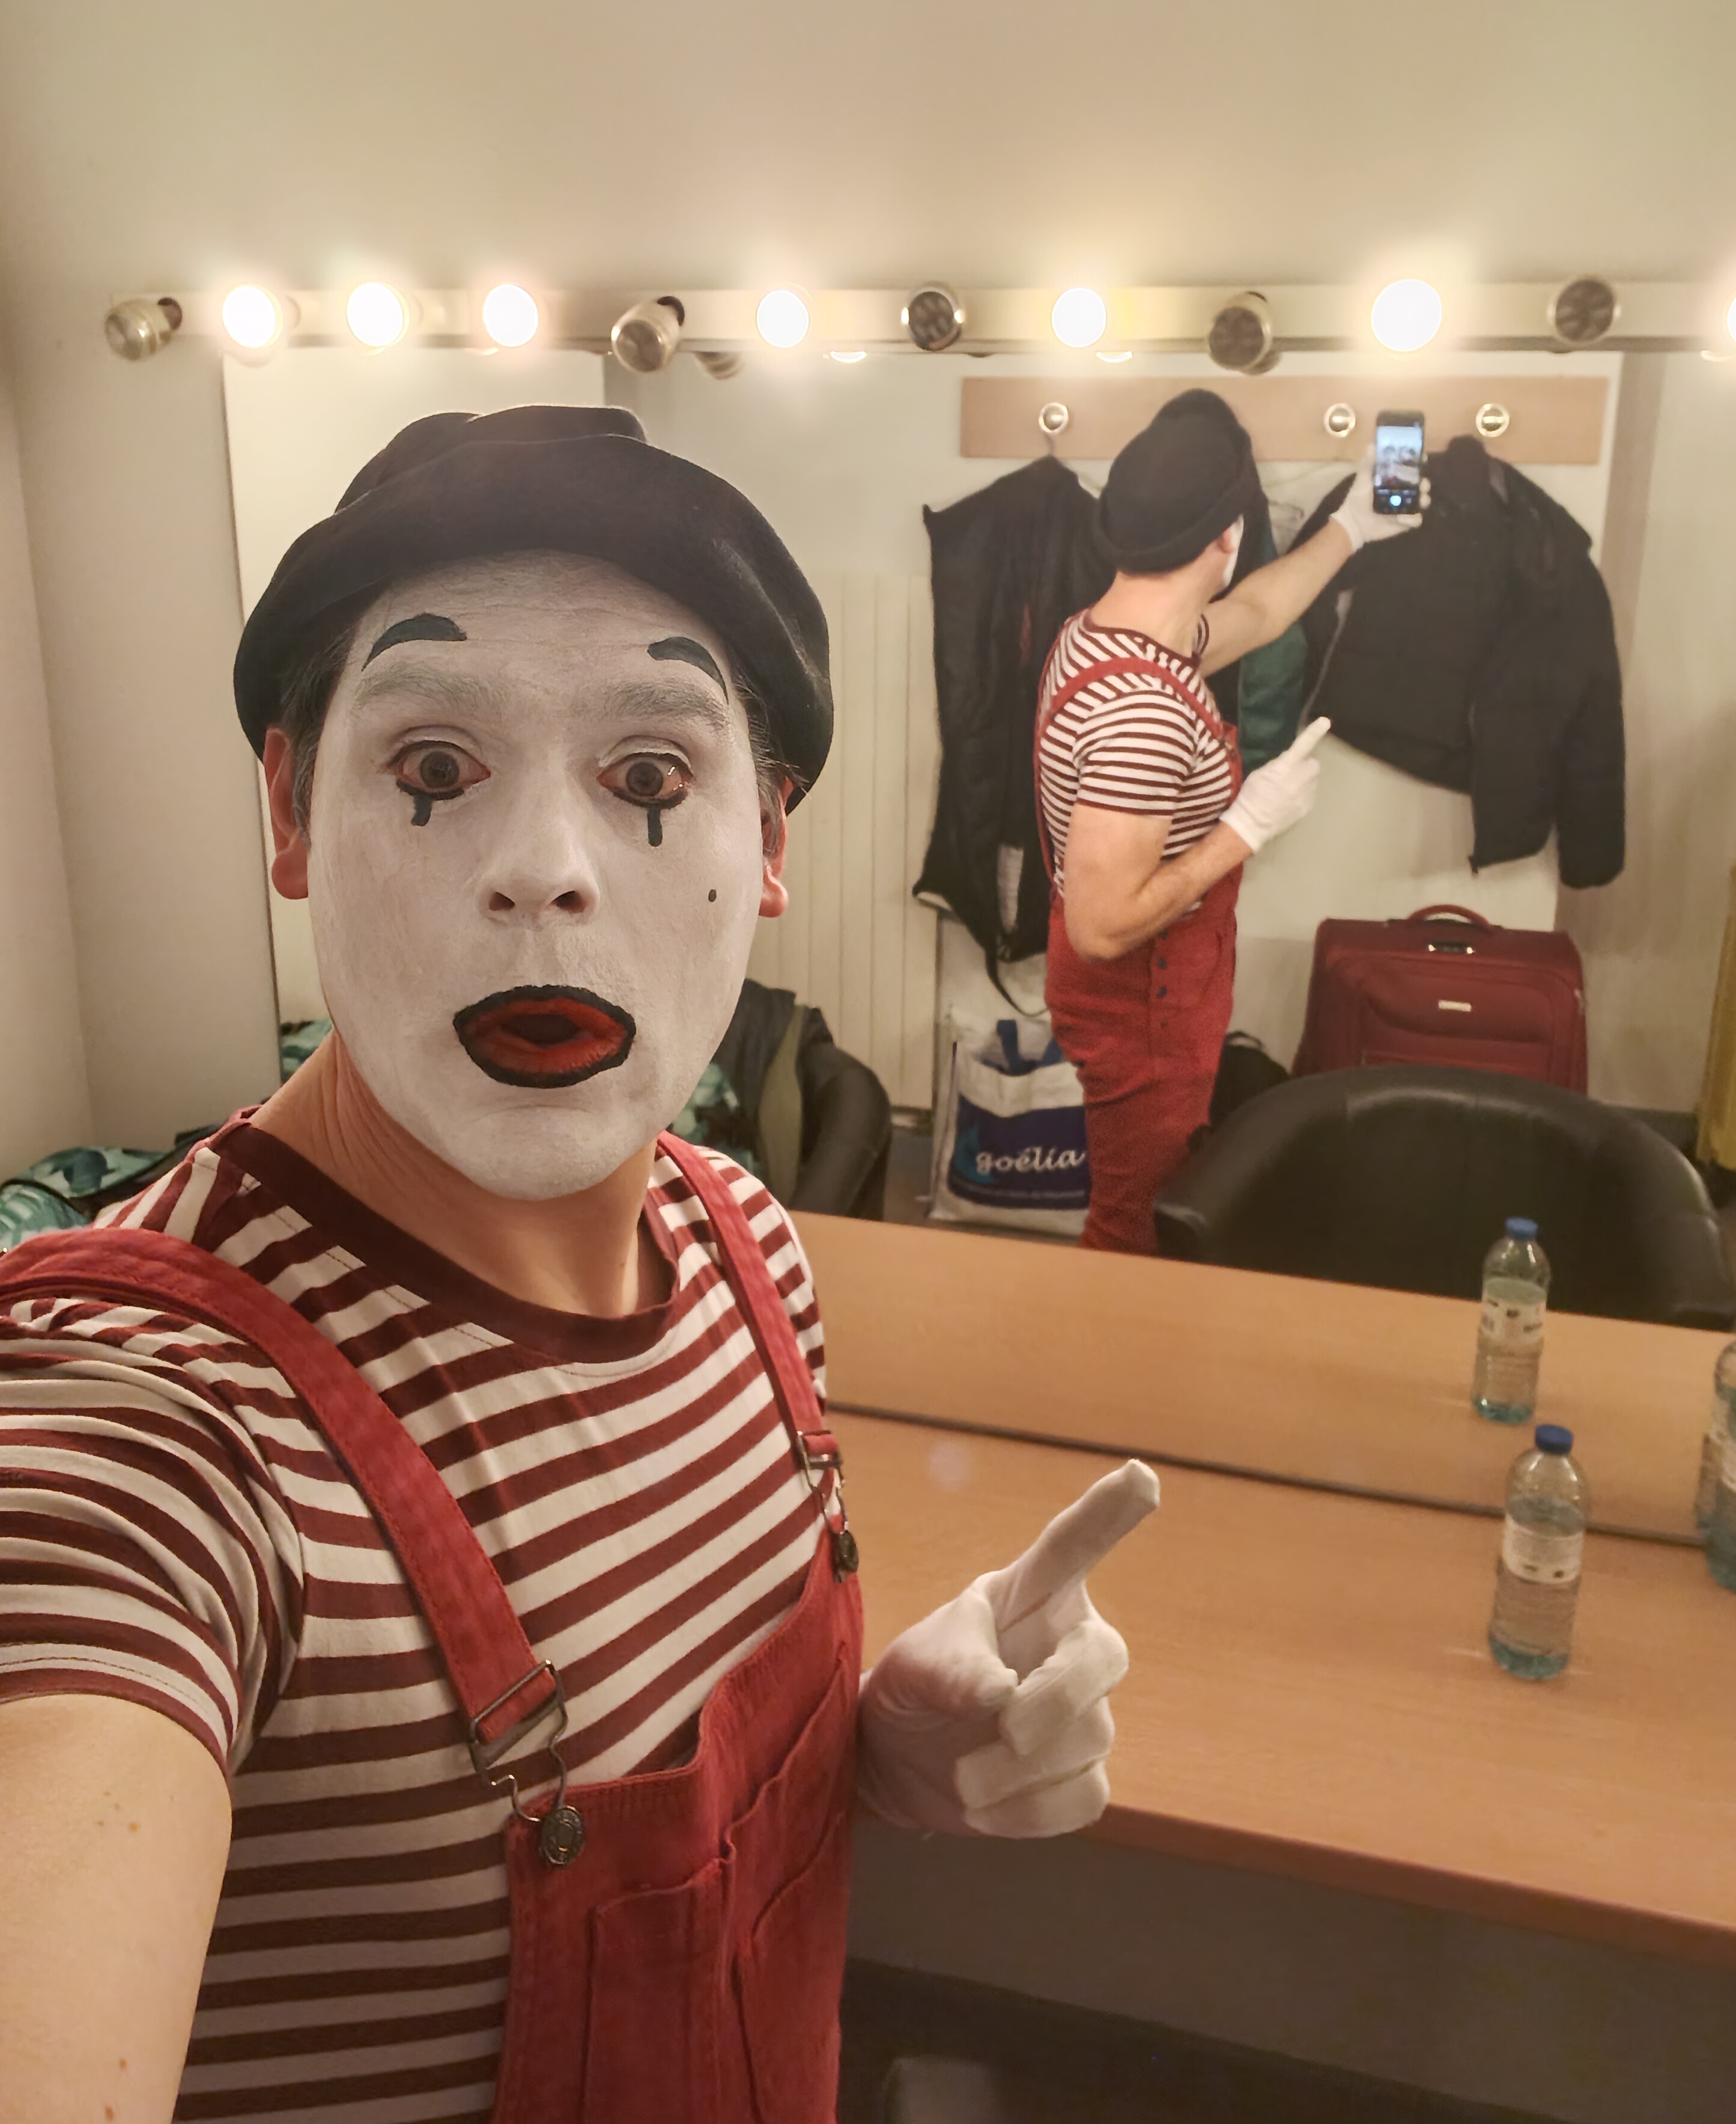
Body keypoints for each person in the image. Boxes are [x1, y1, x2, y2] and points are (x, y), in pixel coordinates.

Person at [0, 404, 1157, 2124]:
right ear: (290, 810)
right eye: (433, 768)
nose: (542, 872)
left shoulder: (746, 1247)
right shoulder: (149, 1441)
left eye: (650, 781)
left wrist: (877, 1753)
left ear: (770, 843)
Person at [1036, 389, 1424, 1256]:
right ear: (1229, 536)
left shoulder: (1114, 633)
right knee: (1136, 1225)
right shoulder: (1142, 709)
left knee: (1153, 1199)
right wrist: (1247, 827)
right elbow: (1102, 926)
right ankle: (1112, 1345)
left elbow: (1258, 613)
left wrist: (1353, 527)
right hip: (1142, 1004)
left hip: (1154, 991)